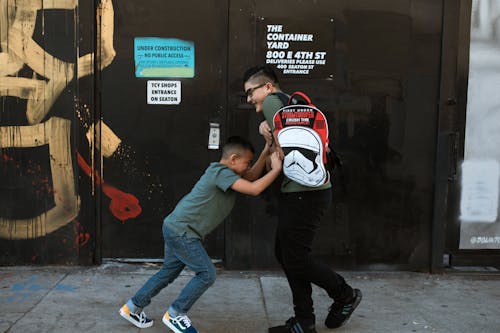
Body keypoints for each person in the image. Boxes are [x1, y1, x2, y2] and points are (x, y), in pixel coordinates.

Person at [119, 136, 282, 333]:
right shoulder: (221, 173)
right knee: (206, 274)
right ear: (233, 159)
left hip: (175, 227)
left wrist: (266, 150)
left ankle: (133, 307)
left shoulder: (224, 173)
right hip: (183, 232)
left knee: (168, 272)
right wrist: (276, 170)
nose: (248, 167)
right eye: (246, 162)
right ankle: (176, 314)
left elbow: (251, 177)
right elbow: (255, 188)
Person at [243, 65, 362, 333]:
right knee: (286, 254)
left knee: (294, 257)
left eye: (251, 92)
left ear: (268, 87)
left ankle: (344, 295)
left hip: (304, 195)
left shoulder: (274, 102)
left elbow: (288, 152)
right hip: (305, 193)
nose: (250, 99)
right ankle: (304, 321)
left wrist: (270, 136)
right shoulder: (291, 106)